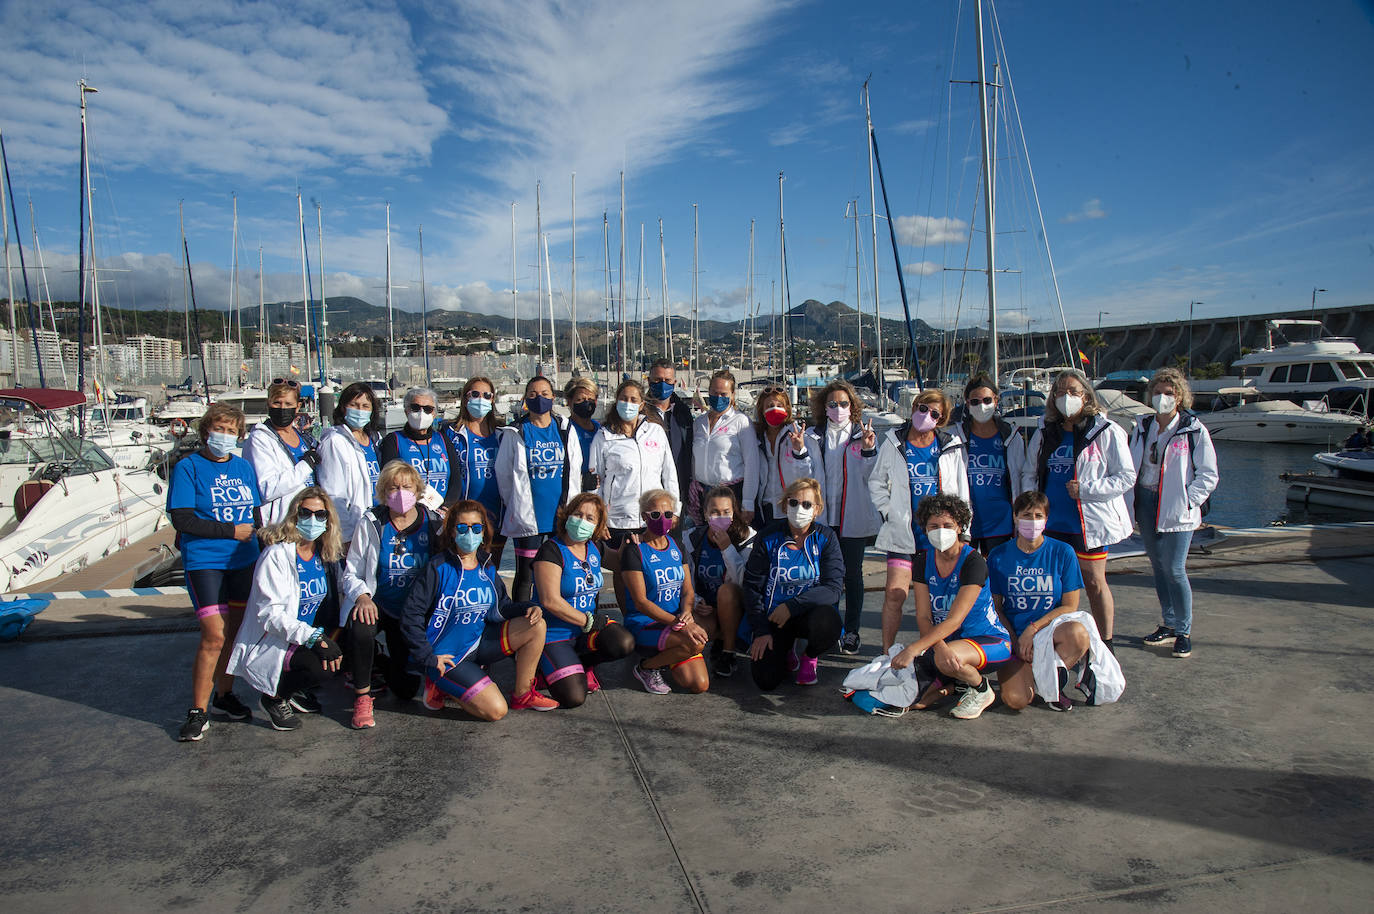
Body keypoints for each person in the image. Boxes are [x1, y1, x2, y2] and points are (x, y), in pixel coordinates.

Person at [400, 501, 559, 718]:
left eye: (476, 527)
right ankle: (439, 683)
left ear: (483, 531)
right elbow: (411, 615)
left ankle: (523, 694)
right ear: (453, 532)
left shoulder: (487, 565)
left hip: (479, 644)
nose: (470, 533)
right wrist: (428, 657)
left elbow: (502, 607)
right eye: (462, 527)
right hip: (448, 657)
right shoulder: (438, 567)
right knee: (496, 711)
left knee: (536, 624)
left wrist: (529, 607)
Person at [225, 488, 365, 731]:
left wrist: (364, 597)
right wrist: (314, 638)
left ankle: (295, 689)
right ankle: (274, 697)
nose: (313, 520)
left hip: (310, 634)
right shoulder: (276, 556)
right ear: (294, 515)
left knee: (351, 650)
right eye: (306, 513)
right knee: (321, 667)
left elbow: (346, 584)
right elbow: (270, 615)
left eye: (320, 515)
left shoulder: (326, 554)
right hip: (280, 639)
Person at [1021, 369, 1135, 652]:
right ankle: (1057, 640)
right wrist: (1029, 505)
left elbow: (1126, 476)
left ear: (1086, 396)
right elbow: (1029, 472)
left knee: (1095, 583)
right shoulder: (1046, 433)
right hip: (1051, 523)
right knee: (1054, 588)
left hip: (1087, 523)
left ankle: (1106, 643)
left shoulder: (1106, 432)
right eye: (1060, 392)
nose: (1066, 397)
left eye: (1073, 392)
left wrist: (1088, 489)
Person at [170, 403, 261, 741]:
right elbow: (182, 519)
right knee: (213, 636)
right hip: (205, 561)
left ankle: (224, 695)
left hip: (243, 559)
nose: (224, 436)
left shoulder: (243, 467)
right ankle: (198, 710)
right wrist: (228, 531)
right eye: (218, 429)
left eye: (231, 431)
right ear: (206, 430)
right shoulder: (188, 467)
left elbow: (253, 514)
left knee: (234, 635)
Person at [889, 494, 1012, 721]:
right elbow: (924, 617)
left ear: (959, 527)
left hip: (990, 640)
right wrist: (939, 648)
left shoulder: (973, 561)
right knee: (916, 701)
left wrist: (916, 649)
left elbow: (955, 620)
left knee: (946, 657)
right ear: (924, 529)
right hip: (946, 641)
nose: (941, 530)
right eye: (934, 526)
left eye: (947, 525)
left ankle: (981, 689)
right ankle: (957, 684)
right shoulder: (922, 561)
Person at [1128, 367, 1219, 659]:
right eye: (1157, 392)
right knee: (1158, 568)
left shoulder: (1193, 430)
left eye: (1169, 393)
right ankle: (1168, 623)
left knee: (1175, 569)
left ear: (1180, 397)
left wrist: (1188, 501)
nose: (1162, 398)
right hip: (1146, 501)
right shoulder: (1142, 427)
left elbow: (1208, 474)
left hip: (1177, 507)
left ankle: (1184, 630)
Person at [869, 389, 970, 654]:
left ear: (942, 419)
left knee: (942, 601)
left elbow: (961, 490)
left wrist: (963, 532)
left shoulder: (950, 445)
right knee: (894, 593)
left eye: (934, 413)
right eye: (923, 408)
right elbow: (877, 482)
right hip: (904, 534)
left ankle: (946, 652)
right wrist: (888, 512)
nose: (926, 415)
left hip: (940, 535)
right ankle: (887, 652)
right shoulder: (894, 442)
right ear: (914, 407)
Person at [342, 460, 441, 701]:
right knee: (360, 630)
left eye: (407, 487)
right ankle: (362, 697)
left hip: (412, 612)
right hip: (380, 605)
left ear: (417, 491)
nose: (400, 494)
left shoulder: (432, 522)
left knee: (405, 691)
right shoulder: (372, 522)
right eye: (393, 488)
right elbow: (351, 571)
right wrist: (363, 597)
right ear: (383, 493)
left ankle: (384, 659)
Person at [792, 379, 880, 654]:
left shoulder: (861, 435)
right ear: (824, 407)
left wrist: (868, 450)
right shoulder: (813, 435)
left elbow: (872, 476)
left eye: (844, 403)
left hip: (851, 518)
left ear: (852, 406)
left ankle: (851, 631)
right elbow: (804, 474)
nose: (839, 408)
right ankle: (827, 630)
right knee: (822, 578)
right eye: (833, 404)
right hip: (821, 518)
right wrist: (799, 450)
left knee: (852, 576)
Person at [987, 491, 1090, 712]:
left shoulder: (1063, 551)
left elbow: (1070, 605)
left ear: (1046, 519)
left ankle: (1051, 681)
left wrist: (1032, 630)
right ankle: (1040, 678)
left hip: (1047, 630)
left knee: (1079, 634)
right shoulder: (998, 555)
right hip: (1013, 633)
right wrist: (1014, 639)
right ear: (1014, 517)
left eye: (1038, 515)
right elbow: (994, 608)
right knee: (1016, 700)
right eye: (1026, 515)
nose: (1032, 521)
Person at [531, 493, 636, 707]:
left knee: (623, 642)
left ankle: (581, 665)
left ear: (598, 526)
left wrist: (631, 543)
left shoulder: (594, 547)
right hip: (554, 633)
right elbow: (550, 600)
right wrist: (588, 621)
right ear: (567, 515)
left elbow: (619, 563)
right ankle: (543, 670)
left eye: (590, 518)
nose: (582, 521)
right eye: (578, 514)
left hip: (583, 631)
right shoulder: (551, 550)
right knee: (574, 697)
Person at [742, 477, 845, 690]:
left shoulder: (826, 538)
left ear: (817, 509)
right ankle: (786, 649)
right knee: (765, 681)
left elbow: (833, 589)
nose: (800, 509)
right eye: (794, 503)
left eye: (807, 504)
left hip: (808, 613)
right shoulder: (768, 536)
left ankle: (809, 656)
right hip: (774, 618)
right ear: (784, 504)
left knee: (829, 622)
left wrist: (793, 605)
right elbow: (752, 586)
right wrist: (761, 631)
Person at [587, 378, 679, 600]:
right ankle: (628, 618)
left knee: (652, 571)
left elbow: (669, 473)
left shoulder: (655, 432)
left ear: (641, 404)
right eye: (623, 399)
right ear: (616, 402)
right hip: (619, 520)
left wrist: (674, 510)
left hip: (653, 517)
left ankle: (651, 619)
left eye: (633, 399)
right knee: (623, 573)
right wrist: (597, 519)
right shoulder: (604, 436)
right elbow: (594, 481)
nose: (627, 403)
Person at [495, 376, 583, 601]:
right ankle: (521, 622)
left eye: (544, 394)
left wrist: (572, 507)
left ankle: (559, 617)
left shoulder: (565, 428)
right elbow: (503, 473)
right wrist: (515, 503)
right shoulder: (515, 431)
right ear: (526, 399)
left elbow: (575, 469)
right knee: (525, 574)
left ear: (553, 397)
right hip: (528, 518)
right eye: (533, 394)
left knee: (561, 571)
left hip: (560, 516)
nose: (539, 398)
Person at [617, 490, 710, 694]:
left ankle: (663, 658)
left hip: (675, 624)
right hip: (645, 623)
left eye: (668, 514)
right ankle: (645, 668)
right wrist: (679, 624)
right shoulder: (636, 549)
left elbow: (688, 592)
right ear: (644, 516)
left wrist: (686, 614)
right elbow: (640, 602)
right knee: (693, 644)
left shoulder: (677, 546)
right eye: (655, 515)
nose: (663, 519)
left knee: (699, 684)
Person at [684, 485, 754, 677]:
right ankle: (714, 641)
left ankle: (728, 651)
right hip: (706, 608)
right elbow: (686, 578)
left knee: (726, 591)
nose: (720, 516)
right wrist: (696, 601)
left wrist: (727, 549)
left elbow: (745, 582)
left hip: (736, 606)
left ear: (734, 513)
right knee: (687, 629)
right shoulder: (692, 538)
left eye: (726, 512)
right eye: (714, 512)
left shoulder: (748, 537)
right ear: (705, 514)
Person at [960, 374, 1027, 555]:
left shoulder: (1011, 436)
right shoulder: (956, 436)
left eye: (987, 400)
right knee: (967, 577)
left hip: (1001, 521)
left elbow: (1021, 476)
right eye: (975, 401)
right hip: (966, 521)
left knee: (998, 575)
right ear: (967, 403)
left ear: (996, 401)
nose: (981, 406)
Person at [242, 377, 320, 526]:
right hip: (281, 525)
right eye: (277, 403)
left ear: (297, 407)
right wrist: (306, 465)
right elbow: (267, 489)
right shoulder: (260, 439)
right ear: (268, 405)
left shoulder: (304, 438)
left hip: (311, 520)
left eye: (288, 404)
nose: (282, 408)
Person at [446, 376, 506, 568]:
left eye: (487, 395)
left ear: (492, 400)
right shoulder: (451, 434)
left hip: (496, 515)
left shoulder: (503, 434)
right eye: (475, 394)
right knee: (463, 565)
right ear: (465, 398)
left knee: (490, 567)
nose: (481, 399)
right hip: (464, 516)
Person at [317, 381, 385, 547]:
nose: (359, 410)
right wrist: (346, 536)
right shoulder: (334, 442)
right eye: (353, 405)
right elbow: (333, 493)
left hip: (377, 522)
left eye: (365, 406)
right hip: (353, 530)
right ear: (343, 408)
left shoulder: (374, 440)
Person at [689, 369, 758, 527]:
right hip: (703, 495)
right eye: (714, 392)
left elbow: (752, 464)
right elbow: (694, 458)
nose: (718, 397)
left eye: (724, 394)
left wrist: (748, 502)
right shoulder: (699, 423)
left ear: (732, 395)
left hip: (731, 494)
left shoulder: (741, 422)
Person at [379, 386, 452, 508]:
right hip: (408, 512)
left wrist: (447, 507)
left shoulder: (443, 439)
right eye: (415, 408)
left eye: (428, 409)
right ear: (406, 411)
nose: (421, 413)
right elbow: (389, 481)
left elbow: (455, 480)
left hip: (441, 512)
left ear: (434, 414)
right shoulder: (393, 440)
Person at [751, 386, 809, 525]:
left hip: (790, 507)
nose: (775, 409)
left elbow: (807, 474)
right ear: (762, 411)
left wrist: (799, 450)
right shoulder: (756, 437)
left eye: (779, 405)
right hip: (764, 507)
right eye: (770, 406)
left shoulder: (796, 435)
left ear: (787, 409)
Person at [645, 358, 694, 500]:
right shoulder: (640, 414)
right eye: (657, 380)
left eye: (667, 380)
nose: (662, 384)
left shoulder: (683, 412)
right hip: (649, 491)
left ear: (675, 383)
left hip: (679, 489)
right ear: (649, 381)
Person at [565, 377, 601, 492]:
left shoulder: (601, 430)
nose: (586, 403)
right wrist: (582, 480)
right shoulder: (564, 431)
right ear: (569, 401)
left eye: (590, 399)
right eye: (580, 399)